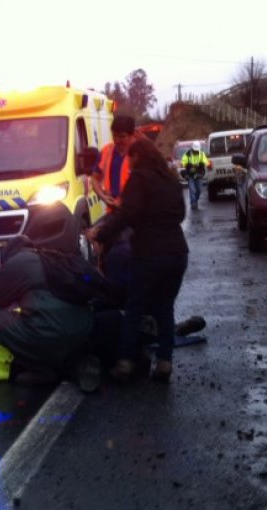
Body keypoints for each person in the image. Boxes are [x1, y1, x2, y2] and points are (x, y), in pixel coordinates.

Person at [88, 137, 188, 382]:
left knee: (134, 308)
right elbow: (181, 213)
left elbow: (126, 214)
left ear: (137, 157)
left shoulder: (139, 179)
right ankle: (165, 362)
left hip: (150, 254)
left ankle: (125, 363)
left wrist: (101, 233)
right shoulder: (171, 179)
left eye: (130, 160)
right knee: (165, 307)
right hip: (177, 254)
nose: (129, 166)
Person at [0, 203, 100, 391]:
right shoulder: (49, 257)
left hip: (50, 330)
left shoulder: (16, 263)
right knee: (53, 329)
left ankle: (39, 367)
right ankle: (76, 364)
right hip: (84, 328)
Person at [91, 115, 135, 212]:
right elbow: (94, 178)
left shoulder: (140, 153)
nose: (117, 140)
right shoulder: (106, 151)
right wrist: (102, 196)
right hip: (113, 212)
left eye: (122, 136)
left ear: (132, 135)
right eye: (115, 135)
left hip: (135, 215)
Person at [181, 140, 209, 211]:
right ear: (192, 148)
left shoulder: (201, 154)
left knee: (199, 189)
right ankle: (194, 203)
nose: (196, 151)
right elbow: (183, 163)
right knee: (192, 190)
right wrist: (189, 166)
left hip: (199, 174)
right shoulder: (187, 154)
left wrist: (207, 165)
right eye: (195, 150)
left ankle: (195, 200)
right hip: (190, 175)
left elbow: (206, 162)